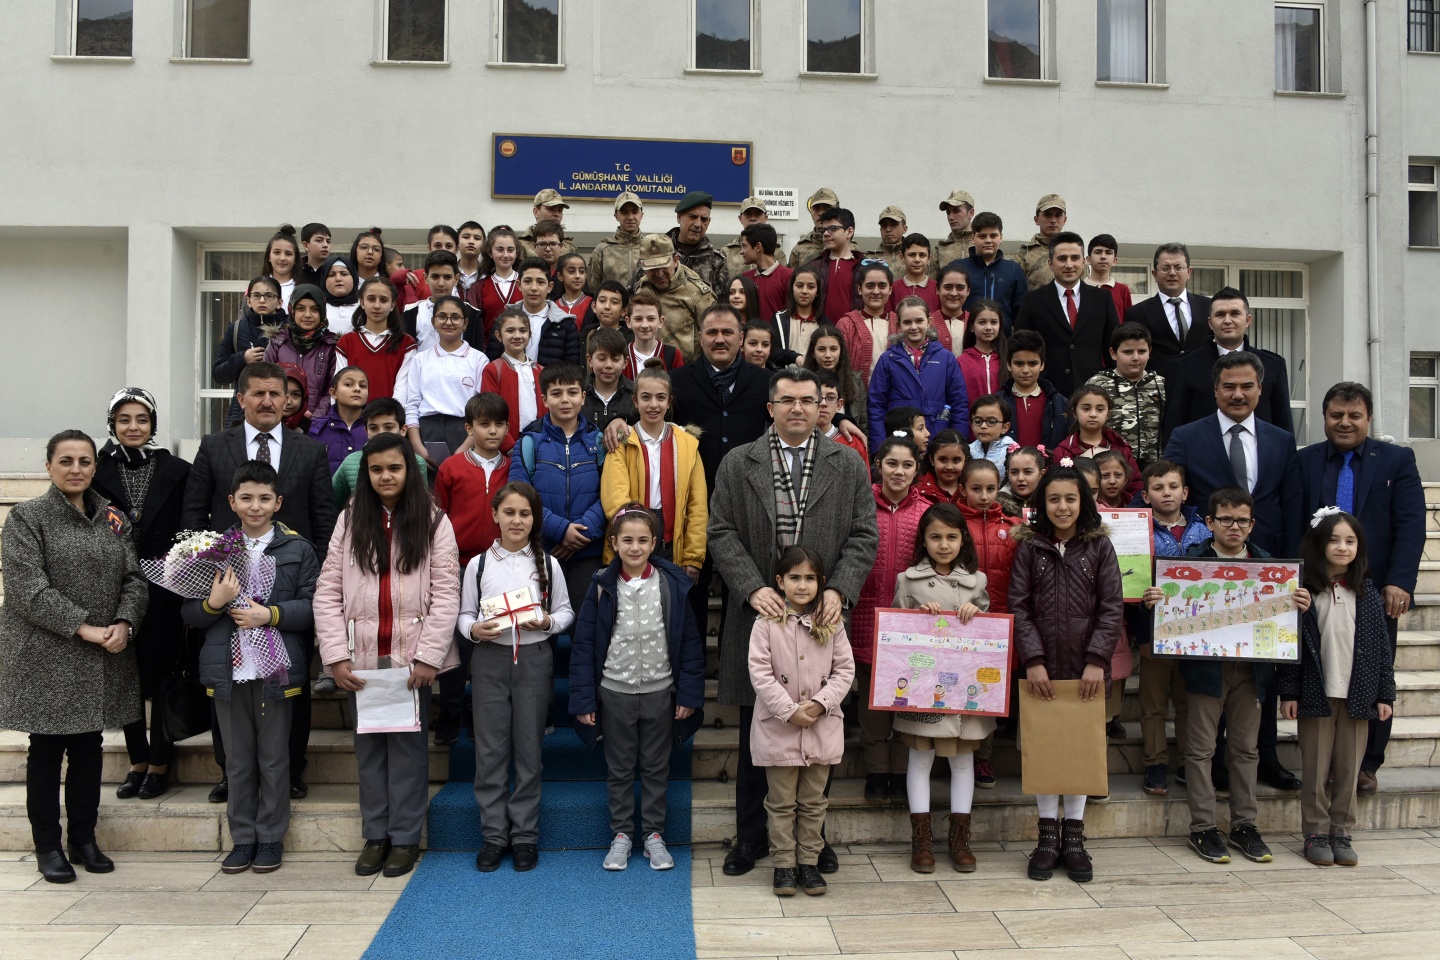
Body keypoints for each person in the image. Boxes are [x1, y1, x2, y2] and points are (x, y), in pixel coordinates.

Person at [707, 366, 878, 878]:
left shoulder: (846, 464)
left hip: (820, 621)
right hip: (762, 616)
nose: (799, 408)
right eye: (788, 400)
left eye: (809, 399)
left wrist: (840, 589)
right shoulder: (740, 463)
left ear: (822, 405)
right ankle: (750, 837)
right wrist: (753, 587)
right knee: (759, 734)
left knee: (814, 737)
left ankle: (811, 842)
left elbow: (864, 536)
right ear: (771, 408)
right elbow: (721, 532)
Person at [183, 361, 337, 801]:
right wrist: (203, 578)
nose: (269, 401)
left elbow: (323, 519)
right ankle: (230, 772)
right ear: (241, 399)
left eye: (278, 394)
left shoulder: (309, 451)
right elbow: (195, 515)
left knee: (291, 680)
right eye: (260, 394)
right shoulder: (215, 447)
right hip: (225, 588)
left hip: (289, 588)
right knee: (226, 682)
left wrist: (317, 579)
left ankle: (290, 769)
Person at [0, 430, 146, 883]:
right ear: (49, 466)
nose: (76, 469)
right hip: (48, 650)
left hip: (105, 650)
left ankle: (83, 839)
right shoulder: (27, 518)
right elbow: (26, 588)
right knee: (46, 750)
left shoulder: (113, 517)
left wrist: (124, 622)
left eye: (85, 461)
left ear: (94, 467)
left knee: (89, 748)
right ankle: (48, 846)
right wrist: (85, 627)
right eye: (66, 461)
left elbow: (135, 579)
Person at [315, 433, 460, 879]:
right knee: (370, 752)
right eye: (376, 469)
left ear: (409, 470)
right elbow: (327, 591)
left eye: (394, 468)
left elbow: (446, 593)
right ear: (366, 473)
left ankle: (403, 838)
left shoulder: (434, 521)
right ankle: (375, 835)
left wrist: (429, 657)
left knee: (409, 754)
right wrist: (336, 655)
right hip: (362, 662)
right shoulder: (349, 519)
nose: (385, 477)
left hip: (410, 663)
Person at [186, 461, 319, 875]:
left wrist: (271, 615)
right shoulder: (214, 550)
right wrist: (214, 601)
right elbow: (190, 613)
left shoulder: (298, 549)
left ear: (278, 502)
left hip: (275, 669)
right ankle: (242, 838)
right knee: (238, 761)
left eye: (264, 498)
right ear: (232, 502)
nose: (255, 506)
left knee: (275, 758)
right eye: (246, 498)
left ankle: (271, 838)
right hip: (229, 669)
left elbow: (315, 606)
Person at [1298, 382, 1424, 792]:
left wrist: (1400, 582)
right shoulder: (1305, 461)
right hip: (1318, 588)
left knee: (1373, 673)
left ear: (1368, 419)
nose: (1345, 422)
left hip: (1375, 589)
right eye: (1337, 415)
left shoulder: (1397, 460)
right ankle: (1328, 763)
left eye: (1354, 415)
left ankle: (1366, 764)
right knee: (1324, 673)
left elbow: (1411, 525)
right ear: (1325, 417)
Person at [570, 505, 705, 872]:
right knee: (620, 766)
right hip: (615, 691)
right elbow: (583, 646)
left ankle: (654, 836)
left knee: (657, 766)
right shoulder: (601, 586)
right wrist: (584, 697)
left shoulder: (672, 585)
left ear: (655, 543)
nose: (634, 547)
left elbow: (690, 642)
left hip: (661, 691)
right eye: (626, 540)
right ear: (613, 543)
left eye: (642, 540)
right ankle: (621, 835)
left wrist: (689, 694)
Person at [1009, 462, 1123, 883]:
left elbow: (1111, 609)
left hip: (1085, 669)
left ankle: (1073, 838)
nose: (1062, 506)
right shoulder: (1030, 546)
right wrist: (1032, 659)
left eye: (1070, 498)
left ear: (1084, 502)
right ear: (1042, 503)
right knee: (1045, 749)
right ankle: (1046, 837)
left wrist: (1097, 659)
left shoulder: (1098, 548)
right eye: (1053, 499)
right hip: (1042, 669)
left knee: (1078, 751)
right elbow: (1018, 608)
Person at [458, 482, 574, 873]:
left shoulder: (548, 563)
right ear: (495, 515)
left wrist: (548, 621)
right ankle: (494, 836)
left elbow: (566, 612)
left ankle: (524, 836)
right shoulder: (479, 565)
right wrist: (474, 631)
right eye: (509, 512)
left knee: (529, 751)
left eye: (525, 513)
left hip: (535, 657)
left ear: (534, 518)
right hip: (489, 659)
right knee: (490, 752)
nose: (517, 520)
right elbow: (464, 614)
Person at [1178, 486, 1295, 864]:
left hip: (1252, 671)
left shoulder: (1270, 567)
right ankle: (1203, 828)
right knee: (1200, 750)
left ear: (1252, 524)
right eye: (1225, 519)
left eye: (1241, 520)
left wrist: (1298, 607)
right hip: (1205, 671)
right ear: (1209, 522)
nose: (1234, 526)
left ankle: (1245, 825)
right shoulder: (1188, 564)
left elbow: (1282, 624)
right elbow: (1168, 617)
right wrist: (1159, 602)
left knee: (1246, 748)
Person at [91, 389, 190, 802]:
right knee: (125, 678)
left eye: (142, 419)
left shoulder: (177, 469)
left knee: (163, 676)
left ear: (153, 424)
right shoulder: (94, 470)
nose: (133, 427)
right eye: (124, 419)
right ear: (112, 423)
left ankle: (160, 763)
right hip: (113, 589)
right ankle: (137, 761)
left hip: (165, 590)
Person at [1280, 509, 1394, 867]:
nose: (1342, 547)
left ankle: (1341, 828)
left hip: (1358, 693)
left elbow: (1381, 647)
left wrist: (1385, 694)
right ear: (1318, 543)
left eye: (1350, 540)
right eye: (1334, 539)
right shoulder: (1304, 595)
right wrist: (1290, 692)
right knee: (1314, 766)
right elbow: (1290, 646)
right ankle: (1314, 830)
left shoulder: (1369, 594)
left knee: (1349, 766)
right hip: (1317, 690)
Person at [747, 545, 855, 897]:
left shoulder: (832, 623)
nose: (803, 585)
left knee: (813, 801)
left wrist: (822, 704)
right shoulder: (765, 625)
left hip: (822, 729)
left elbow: (844, 671)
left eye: (810, 578)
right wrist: (790, 710)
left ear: (821, 583)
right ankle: (783, 865)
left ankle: (809, 861)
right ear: (780, 581)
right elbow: (760, 674)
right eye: (794, 577)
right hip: (778, 730)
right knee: (780, 802)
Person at [893, 502, 992, 873]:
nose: (944, 544)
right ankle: (921, 840)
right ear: (924, 540)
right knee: (920, 759)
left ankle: (959, 839)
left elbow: (990, 633)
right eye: (935, 537)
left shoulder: (976, 581)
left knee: (963, 760)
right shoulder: (908, 579)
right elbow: (894, 634)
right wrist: (916, 619)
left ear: (962, 538)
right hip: (923, 690)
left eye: (951, 536)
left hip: (964, 690)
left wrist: (977, 615)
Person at [1161, 352, 1304, 558]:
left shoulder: (1282, 440)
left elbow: (1293, 505)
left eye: (1247, 386)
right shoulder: (1186, 437)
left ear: (1260, 389)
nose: (1238, 395)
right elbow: (1161, 486)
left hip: (1269, 555)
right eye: (1229, 387)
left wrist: (1293, 562)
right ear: (1216, 390)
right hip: (1206, 555)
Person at [432, 392, 513, 744]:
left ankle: (488, 714)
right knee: (456, 643)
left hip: (501, 566)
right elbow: (439, 517)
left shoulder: (514, 466)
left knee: (493, 641)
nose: (492, 431)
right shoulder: (451, 467)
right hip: (459, 566)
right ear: (469, 428)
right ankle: (449, 712)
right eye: (484, 424)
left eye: (498, 424)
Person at [851, 436, 928, 801]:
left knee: (906, 701)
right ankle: (876, 770)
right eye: (892, 463)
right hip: (866, 615)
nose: (899, 471)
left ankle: (901, 770)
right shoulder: (860, 504)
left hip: (910, 624)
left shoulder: (926, 511)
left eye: (907, 465)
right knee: (871, 705)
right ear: (878, 464)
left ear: (917, 469)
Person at [1134, 460, 1210, 795]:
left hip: (1195, 635)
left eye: (1173, 486)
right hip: (1155, 633)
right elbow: (1132, 589)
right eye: (1159, 488)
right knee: (1153, 704)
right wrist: (1142, 635)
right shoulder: (1138, 531)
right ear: (1146, 495)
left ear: (1185, 492)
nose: (1167, 493)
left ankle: (1184, 762)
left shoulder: (1203, 529)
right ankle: (1155, 764)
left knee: (1186, 701)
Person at [510, 362, 608, 609]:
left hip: (587, 552)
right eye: (556, 393)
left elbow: (610, 493)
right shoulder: (529, 442)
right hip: (541, 551)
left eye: (572, 392)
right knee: (541, 625)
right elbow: (520, 497)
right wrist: (561, 530)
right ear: (544, 399)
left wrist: (580, 533)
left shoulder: (599, 442)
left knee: (584, 628)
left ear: (583, 397)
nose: (565, 400)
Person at [600, 361, 707, 572]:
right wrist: (633, 537)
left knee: (667, 599)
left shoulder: (686, 444)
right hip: (633, 534)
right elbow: (615, 497)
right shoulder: (622, 441)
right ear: (635, 401)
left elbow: (697, 505)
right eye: (646, 397)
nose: (653, 405)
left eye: (660, 398)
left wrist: (693, 556)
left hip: (671, 535)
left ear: (669, 402)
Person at [957, 458, 1021, 787]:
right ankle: (960, 753)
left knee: (991, 692)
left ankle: (983, 757)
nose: (983, 496)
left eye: (990, 489)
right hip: (963, 622)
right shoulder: (954, 525)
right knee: (961, 687)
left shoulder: (1012, 527)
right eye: (976, 489)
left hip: (1001, 623)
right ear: (962, 489)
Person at [1162, 287, 1294, 439]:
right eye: (1220, 314)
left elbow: (1284, 425)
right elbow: (1173, 427)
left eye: (1235, 313)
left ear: (1248, 320)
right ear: (1210, 323)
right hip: (1201, 459)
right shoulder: (1183, 367)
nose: (1227, 320)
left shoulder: (1273, 365)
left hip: (1261, 459)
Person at [1013, 231, 1119, 397]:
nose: (1069, 265)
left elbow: (1113, 347)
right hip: (1047, 390)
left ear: (1084, 262)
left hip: (1093, 389)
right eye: (1062, 259)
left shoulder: (1102, 298)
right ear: (1050, 263)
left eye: (1075, 258)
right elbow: (1021, 346)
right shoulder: (1033, 300)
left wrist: (1109, 382)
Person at [866, 297, 969, 452]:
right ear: (898, 325)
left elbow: (959, 404)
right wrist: (879, 447)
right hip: (900, 438)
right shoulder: (887, 360)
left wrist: (958, 443)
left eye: (919, 321)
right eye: (907, 322)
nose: (913, 327)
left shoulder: (946, 358)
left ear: (928, 322)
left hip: (938, 436)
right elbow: (876, 406)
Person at [402, 295, 488, 464]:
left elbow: (482, 409)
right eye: (442, 316)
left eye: (455, 317)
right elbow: (412, 404)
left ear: (465, 323)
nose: (449, 322)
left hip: (465, 431)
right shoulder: (420, 359)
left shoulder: (479, 360)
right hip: (427, 429)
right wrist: (417, 447)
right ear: (433, 322)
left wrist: (465, 447)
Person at [1124, 242, 1213, 375]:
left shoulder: (1209, 306)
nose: (1172, 273)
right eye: (1165, 268)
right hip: (1157, 386)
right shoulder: (1137, 313)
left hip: (1202, 381)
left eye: (1178, 267)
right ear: (1154, 274)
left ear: (1189, 272)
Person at [1087, 322, 1166, 469]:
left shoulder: (1161, 385)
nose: (1136, 358)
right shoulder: (1098, 385)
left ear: (1150, 351)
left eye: (1142, 351)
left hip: (1154, 469)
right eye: (1128, 352)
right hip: (1112, 470)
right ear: (1113, 353)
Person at [330, 398, 428, 512]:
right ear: (366, 431)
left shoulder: (417, 462)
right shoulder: (350, 462)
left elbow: (420, 504)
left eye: (388, 427)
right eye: (373, 428)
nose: (381, 433)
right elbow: (333, 502)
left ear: (403, 430)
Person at [264, 286, 342, 423]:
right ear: (292, 311)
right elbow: (265, 382)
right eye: (301, 309)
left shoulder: (330, 346)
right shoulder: (278, 343)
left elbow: (332, 389)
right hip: (277, 421)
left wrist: (314, 416)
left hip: (317, 424)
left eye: (315, 309)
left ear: (323, 312)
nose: (307, 315)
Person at [633, 234, 716, 362]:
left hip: (685, 370)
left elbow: (713, 335)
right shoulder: (642, 289)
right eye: (653, 268)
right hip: (647, 371)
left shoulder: (696, 292)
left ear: (676, 260)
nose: (659, 274)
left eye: (664, 266)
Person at [215, 276, 285, 428]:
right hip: (240, 411)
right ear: (248, 301)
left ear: (279, 302)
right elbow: (218, 375)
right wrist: (242, 358)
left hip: (281, 410)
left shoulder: (289, 330)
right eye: (256, 295)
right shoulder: (235, 329)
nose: (262, 300)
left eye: (268, 296)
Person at [1052, 386, 1142, 500]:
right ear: (1075, 412)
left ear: (1108, 414)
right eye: (1086, 409)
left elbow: (1135, 485)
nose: (1093, 414)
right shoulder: (1063, 452)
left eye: (1100, 409)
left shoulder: (1121, 448)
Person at [336, 277, 416, 403]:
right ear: (362, 302)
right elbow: (341, 385)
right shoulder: (347, 342)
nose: (377, 305)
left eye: (383, 300)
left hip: (389, 417)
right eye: (371, 299)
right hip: (353, 417)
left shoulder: (406, 343)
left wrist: (391, 415)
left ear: (392, 305)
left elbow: (402, 387)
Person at [479, 307, 545, 453]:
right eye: (510, 331)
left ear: (530, 334)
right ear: (498, 335)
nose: (517, 336)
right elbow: (492, 412)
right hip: (509, 445)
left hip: (540, 442)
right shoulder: (494, 370)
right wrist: (509, 447)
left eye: (523, 330)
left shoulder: (541, 371)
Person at [496, 256, 582, 367]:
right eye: (527, 281)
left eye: (540, 282)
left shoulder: (565, 324)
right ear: (519, 285)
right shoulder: (504, 320)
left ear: (550, 287)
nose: (534, 288)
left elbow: (572, 367)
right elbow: (495, 360)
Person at [402, 251, 486, 353]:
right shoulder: (412, 312)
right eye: (435, 277)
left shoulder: (471, 313)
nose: (441, 283)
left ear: (456, 279)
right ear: (425, 278)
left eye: (447, 277)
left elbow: (477, 352)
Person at [956, 212, 1026, 331]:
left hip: (1002, 342)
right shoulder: (958, 268)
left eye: (993, 236)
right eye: (982, 236)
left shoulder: (1013, 270)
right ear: (973, 238)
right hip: (966, 340)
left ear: (1001, 238)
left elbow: (1021, 314)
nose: (988, 240)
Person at [1000, 330, 1070, 449]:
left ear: (1042, 365)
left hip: (1049, 466)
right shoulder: (997, 402)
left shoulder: (1060, 403)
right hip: (1008, 466)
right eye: (1019, 363)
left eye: (1032, 364)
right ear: (1008, 365)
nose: (1026, 370)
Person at [836, 260, 897, 388]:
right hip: (856, 399)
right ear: (860, 289)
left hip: (894, 398)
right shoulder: (846, 324)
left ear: (890, 289)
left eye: (882, 286)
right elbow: (838, 365)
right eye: (869, 286)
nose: (876, 291)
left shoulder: (899, 323)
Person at [802, 324, 868, 437]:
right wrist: (840, 419)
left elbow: (863, 425)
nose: (828, 355)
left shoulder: (855, 382)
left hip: (848, 445)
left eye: (833, 349)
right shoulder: (802, 381)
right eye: (821, 349)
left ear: (841, 351)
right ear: (813, 353)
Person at [309, 367, 369, 474]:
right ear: (333, 393)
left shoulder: (374, 428)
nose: (357, 389)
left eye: (363, 386)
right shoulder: (316, 429)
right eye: (348, 384)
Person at [809, 207, 863, 322]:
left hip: (856, 334)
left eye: (832, 228)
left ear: (849, 232)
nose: (826, 234)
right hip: (821, 335)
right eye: (823, 230)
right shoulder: (813, 267)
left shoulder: (865, 268)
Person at [589, 191, 646, 291]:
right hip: (611, 305)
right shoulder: (603, 250)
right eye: (624, 212)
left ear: (641, 215)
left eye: (635, 212)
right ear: (616, 216)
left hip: (642, 306)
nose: (630, 217)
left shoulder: (650, 248)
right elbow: (593, 289)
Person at [582, 327, 637, 429]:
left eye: (615, 359)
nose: (608, 365)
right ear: (590, 360)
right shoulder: (579, 393)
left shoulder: (635, 394)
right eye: (601, 359)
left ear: (625, 362)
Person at [622, 289, 684, 378]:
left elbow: (679, 389)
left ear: (660, 321)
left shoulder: (672, 355)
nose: (645, 325)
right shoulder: (621, 356)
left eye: (651, 319)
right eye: (638, 319)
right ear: (628, 322)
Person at [474, 225, 524, 335]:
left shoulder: (526, 284)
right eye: (500, 250)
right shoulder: (480, 287)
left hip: (521, 347)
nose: (506, 255)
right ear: (490, 252)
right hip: (488, 349)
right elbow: (476, 326)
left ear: (517, 252)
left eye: (510, 250)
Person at [773, 265, 827, 367]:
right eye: (799, 285)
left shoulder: (825, 324)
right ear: (792, 288)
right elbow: (772, 351)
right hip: (784, 379)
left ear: (817, 292)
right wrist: (795, 357)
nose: (804, 291)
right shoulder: (779, 320)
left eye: (811, 287)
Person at [740, 222, 793, 321]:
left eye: (744, 246)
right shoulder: (745, 278)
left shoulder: (789, 276)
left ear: (758, 247)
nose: (741, 251)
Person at [1014, 194, 1069, 291]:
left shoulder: (1073, 252)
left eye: (1058, 215)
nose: (1053, 220)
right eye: (1048, 215)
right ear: (1037, 219)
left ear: (1064, 220)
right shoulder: (1023, 255)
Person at [958, 296, 1006, 404]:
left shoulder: (1008, 359)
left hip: (1003, 420)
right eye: (982, 322)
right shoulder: (961, 362)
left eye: (994, 322)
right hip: (973, 420)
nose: (988, 327)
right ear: (972, 327)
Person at [815, 370, 869, 461]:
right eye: (817, 398)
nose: (823, 403)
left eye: (830, 398)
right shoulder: (794, 439)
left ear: (839, 405)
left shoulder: (854, 444)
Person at [968, 395, 1020, 481]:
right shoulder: (967, 450)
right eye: (977, 421)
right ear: (971, 425)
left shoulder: (1013, 452)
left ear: (1005, 427)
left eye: (991, 421)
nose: (983, 426)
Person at [1084, 234, 1133, 322]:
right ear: (1088, 259)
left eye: (1108, 252)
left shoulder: (1122, 290)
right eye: (1098, 252)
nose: (1103, 256)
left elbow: (1128, 324)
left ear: (1115, 260)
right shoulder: (1078, 288)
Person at [788, 187, 839, 269]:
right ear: (811, 212)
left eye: (827, 208)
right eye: (816, 208)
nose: (821, 213)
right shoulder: (799, 249)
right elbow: (792, 279)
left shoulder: (848, 246)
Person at [518, 188, 576, 260]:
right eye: (551, 209)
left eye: (560, 210)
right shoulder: (520, 245)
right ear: (536, 212)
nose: (557, 214)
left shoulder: (569, 246)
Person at [889, 233, 940, 315]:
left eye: (922, 255)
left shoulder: (937, 288)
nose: (917, 259)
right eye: (912, 255)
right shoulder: (893, 288)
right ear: (902, 258)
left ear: (929, 259)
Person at [915, 430, 969, 505]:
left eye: (956, 460)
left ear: (965, 461)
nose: (949, 467)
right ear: (932, 459)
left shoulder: (973, 490)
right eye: (943, 460)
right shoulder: (917, 491)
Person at [724, 195, 770, 283]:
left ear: (765, 218)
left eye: (758, 214)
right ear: (740, 219)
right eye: (748, 214)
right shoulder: (727, 253)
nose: (753, 218)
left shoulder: (776, 252)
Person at [930, 264, 972, 357]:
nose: (953, 293)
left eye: (960, 288)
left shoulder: (975, 322)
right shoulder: (928, 323)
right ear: (937, 289)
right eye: (948, 287)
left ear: (968, 291)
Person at [579, 280, 632, 351]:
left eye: (614, 302)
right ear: (594, 307)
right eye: (602, 301)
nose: (607, 306)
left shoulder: (631, 339)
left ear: (624, 310)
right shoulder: (586, 335)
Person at [998, 446, 1047, 518]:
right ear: (1008, 474)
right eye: (1014, 472)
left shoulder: (1049, 503)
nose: (1020, 478)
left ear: (1041, 474)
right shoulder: (996, 505)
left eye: (1028, 472)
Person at [933, 189, 977, 268]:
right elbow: (933, 280)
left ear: (971, 213)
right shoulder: (940, 250)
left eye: (956, 211)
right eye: (948, 212)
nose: (951, 217)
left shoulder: (981, 245)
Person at [262, 225, 301, 307]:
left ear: (295, 259)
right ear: (269, 257)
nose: (282, 258)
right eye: (277, 252)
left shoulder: (303, 289)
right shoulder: (256, 287)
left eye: (288, 254)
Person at [320, 256, 360, 336]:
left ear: (354, 277)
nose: (338, 279)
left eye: (344, 274)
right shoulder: (317, 307)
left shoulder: (364, 307)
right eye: (331, 275)